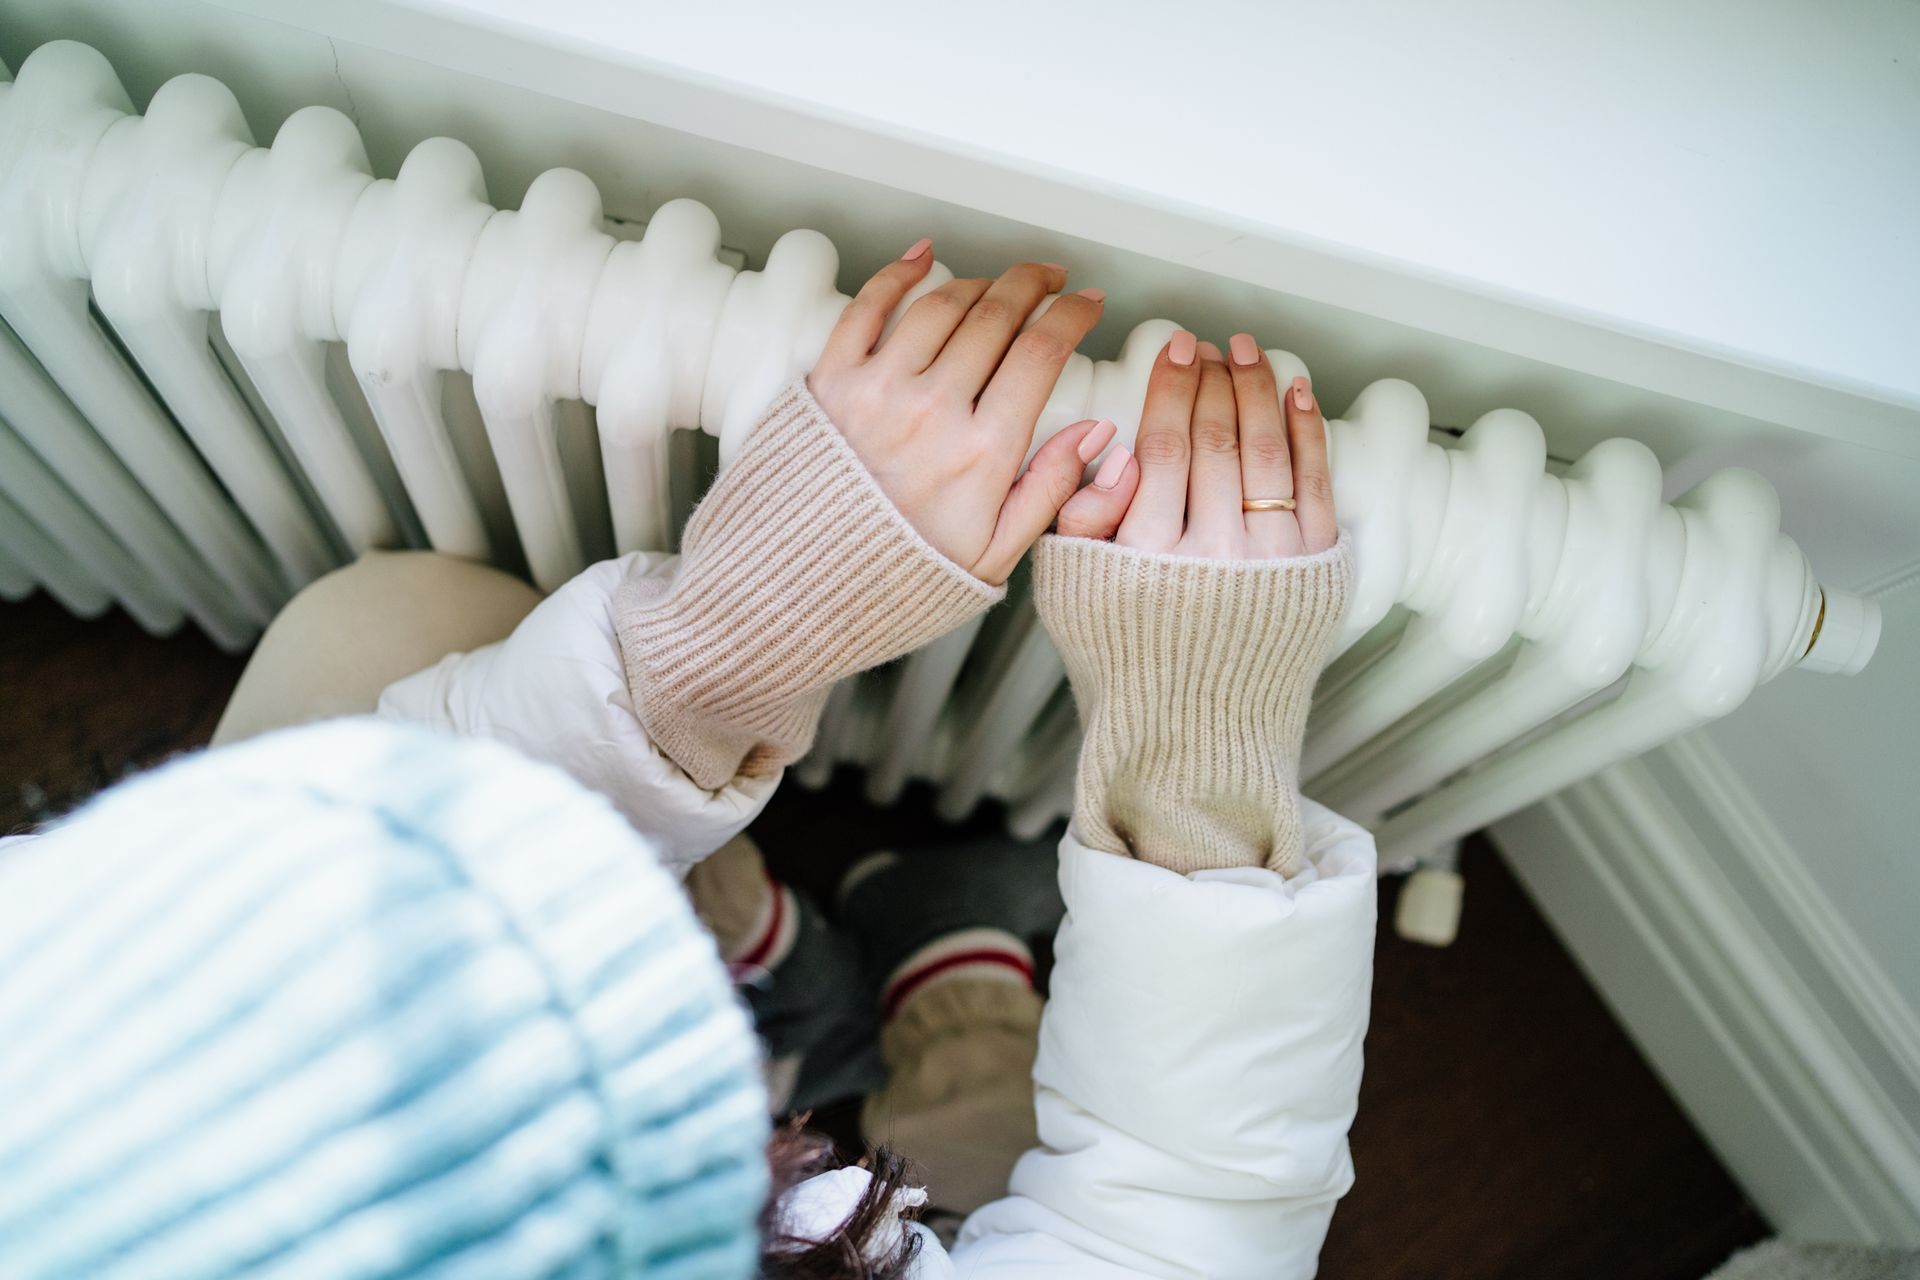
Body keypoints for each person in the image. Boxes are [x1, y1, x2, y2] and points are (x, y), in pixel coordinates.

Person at [1, 243, 1375, 1277]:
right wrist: (1198, 775)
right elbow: (1178, 1224)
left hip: (678, 1149)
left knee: (396, 635)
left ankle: (771, 966)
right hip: (829, 1213)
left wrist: (730, 639)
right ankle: (899, 978)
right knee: (984, 1131)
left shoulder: (75, 1105)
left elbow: (321, 900)